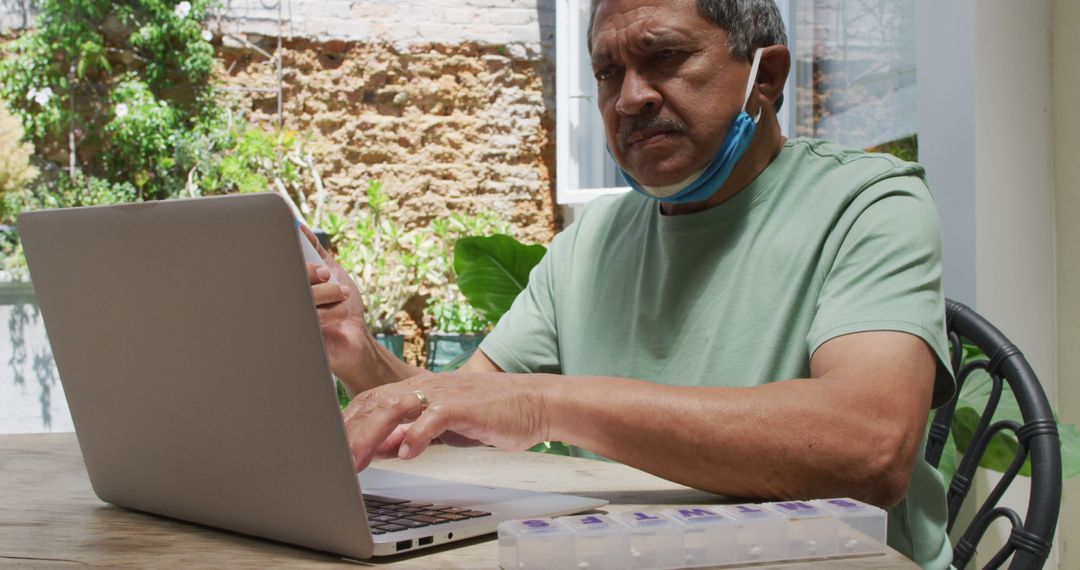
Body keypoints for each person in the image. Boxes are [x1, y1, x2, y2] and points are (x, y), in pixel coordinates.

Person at [304, 0, 953, 567]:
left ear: (768, 77)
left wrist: (544, 404)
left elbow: (870, 449)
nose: (630, 97)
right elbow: (454, 418)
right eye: (609, 72)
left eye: (665, 56)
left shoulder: (867, 204)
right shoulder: (591, 240)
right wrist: (359, 352)